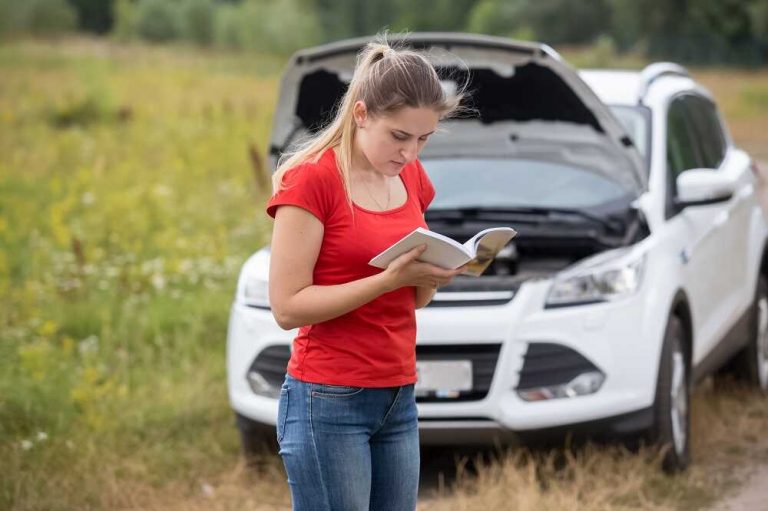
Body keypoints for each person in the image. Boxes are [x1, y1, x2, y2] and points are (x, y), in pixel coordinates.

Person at [265, 35, 467, 511]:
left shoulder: (411, 177)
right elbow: (287, 307)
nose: (410, 153)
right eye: (399, 137)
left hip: (398, 394)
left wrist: (430, 276)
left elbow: (412, 301)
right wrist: (387, 280)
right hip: (328, 399)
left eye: (423, 139)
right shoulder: (312, 180)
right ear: (361, 115)